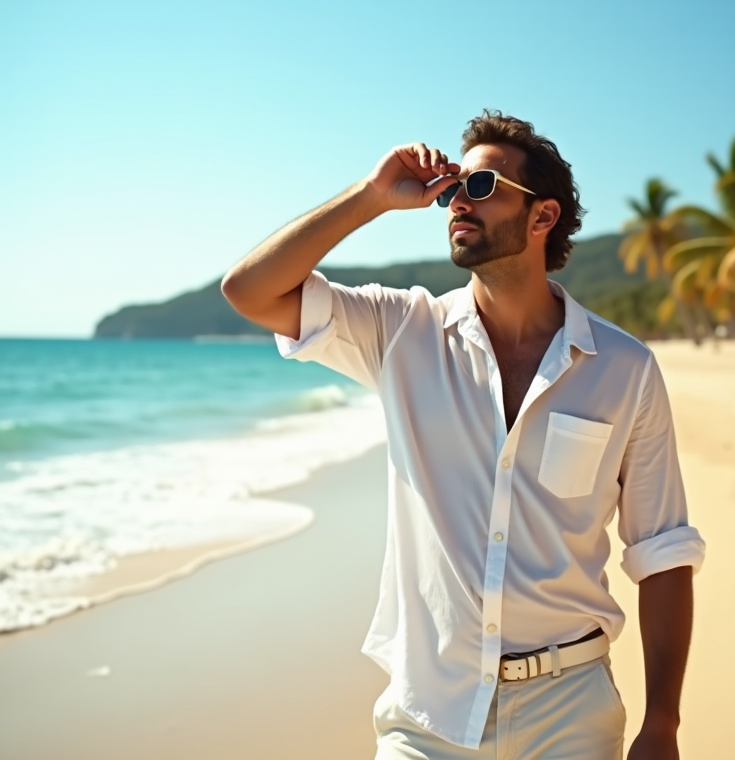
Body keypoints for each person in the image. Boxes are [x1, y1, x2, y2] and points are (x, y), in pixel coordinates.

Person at [221, 110, 706, 759]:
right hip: (428, 717)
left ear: (542, 217)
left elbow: (663, 553)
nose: (457, 204)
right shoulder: (401, 331)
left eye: (481, 187)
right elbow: (250, 291)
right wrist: (371, 196)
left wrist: (663, 724)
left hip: (571, 712)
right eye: (453, 190)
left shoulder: (625, 370)